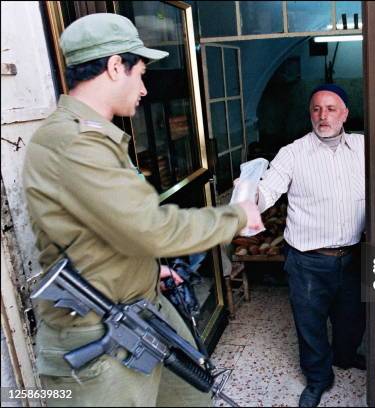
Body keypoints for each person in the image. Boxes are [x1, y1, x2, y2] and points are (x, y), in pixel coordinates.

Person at [22, 13, 263, 407]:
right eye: (141, 74)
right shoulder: (74, 143)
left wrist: (149, 271)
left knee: (194, 394)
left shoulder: (92, 136)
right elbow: (150, 228)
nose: (145, 89)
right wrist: (236, 216)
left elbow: (107, 230)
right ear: (116, 66)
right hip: (97, 333)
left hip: (138, 306)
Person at [254, 84, 375, 407]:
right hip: (308, 259)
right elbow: (269, 189)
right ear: (310, 114)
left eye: (331, 108)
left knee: (353, 318)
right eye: (316, 109)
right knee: (310, 323)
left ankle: (346, 357)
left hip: (353, 255)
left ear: (345, 113)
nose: (323, 116)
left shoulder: (365, 148)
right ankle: (318, 378)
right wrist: (250, 199)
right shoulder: (292, 153)